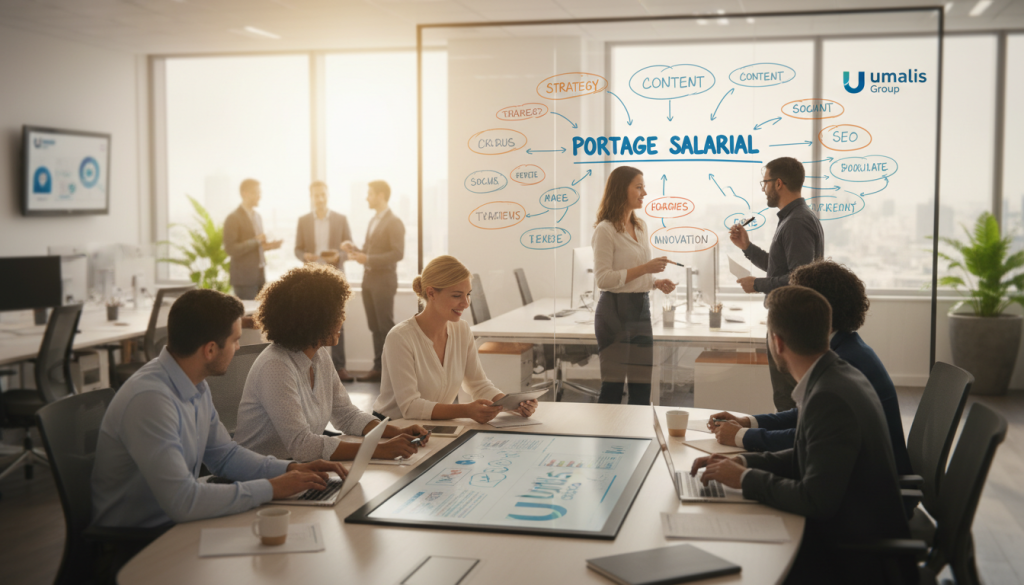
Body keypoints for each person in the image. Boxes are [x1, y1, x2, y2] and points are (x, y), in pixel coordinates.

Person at [691, 286, 915, 584]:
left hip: (851, 561)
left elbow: (815, 500)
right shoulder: (837, 374)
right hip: (848, 533)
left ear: (777, 342)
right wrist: (743, 464)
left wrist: (744, 480)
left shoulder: (828, 397)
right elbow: (808, 453)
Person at [91, 289, 345, 530]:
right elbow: (183, 501)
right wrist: (271, 488)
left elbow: (224, 456)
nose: (238, 349)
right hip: (140, 541)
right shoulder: (150, 401)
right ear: (210, 349)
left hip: (178, 524)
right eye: (235, 341)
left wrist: (290, 470)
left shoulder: (195, 384)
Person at [707, 259, 913, 477]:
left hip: (868, 482)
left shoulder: (846, 362)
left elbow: (806, 437)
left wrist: (743, 436)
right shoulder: (845, 347)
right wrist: (748, 422)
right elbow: (807, 417)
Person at [234, 263, 428, 462]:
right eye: (337, 313)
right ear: (312, 318)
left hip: (296, 470)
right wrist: (377, 450)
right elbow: (302, 445)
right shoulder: (275, 366)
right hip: (257, 478)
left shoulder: (319, 357)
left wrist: (395, 431)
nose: (342, 319)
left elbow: (346, 414)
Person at [371, 255, 538, 423]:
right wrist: (466, 410)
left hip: (432, 426)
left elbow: (478, 384)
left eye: (468, 294)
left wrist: (513, 405)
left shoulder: (462, 330)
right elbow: (410, 406)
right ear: (431, 293)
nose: (466, 303)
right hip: (393, 429)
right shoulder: (400, 338)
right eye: (457, 295)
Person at [729, 157, 824, 411]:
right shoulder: (794, 218)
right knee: (786, 396)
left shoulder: (796, 222)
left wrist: (757, 284)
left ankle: (792, 450)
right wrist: (747, 248)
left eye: (766, 182)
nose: (764, 188)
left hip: (792, 323)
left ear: (779, 183)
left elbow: (798, 277)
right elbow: (780, 267)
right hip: (790, 321)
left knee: (787, 398)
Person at [591, 166, 675, 405]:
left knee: (641, 387)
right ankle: (606, 440)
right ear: (621, 190)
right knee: (613, 388)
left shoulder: (640, 226)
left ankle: (638, 439)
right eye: (638, 187)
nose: (644, 192)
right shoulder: (605, 230)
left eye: (643, 186)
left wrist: (655, 282)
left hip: (640, 308)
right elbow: (603, 279)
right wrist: (646, 269)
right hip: (614, 311)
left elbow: (634, 272)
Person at [341, 180, 404, 382]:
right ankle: (379, 368)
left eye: (369, 193)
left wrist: (368, 259)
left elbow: (397, 253)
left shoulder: (394, 222)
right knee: (375, 327)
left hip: (384, 280)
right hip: (369, 280)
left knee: (385, 326)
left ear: (380, 195)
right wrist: (354, 249)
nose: (366, 197)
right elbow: (368, 251)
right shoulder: (373, 220)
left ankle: (392, 371)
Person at [294, 180, 355, 382]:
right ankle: (310, 366)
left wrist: (338, 256)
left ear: (327, 195)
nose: (320, 199)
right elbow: (298, 249)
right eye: (316, 195)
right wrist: (306, 256)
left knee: (338, 321)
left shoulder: (340, 219)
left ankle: (340, 367)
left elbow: (349, 250)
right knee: (311, 321)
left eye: (323, 195)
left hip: (334, 277)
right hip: (311, 278)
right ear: (311, 197)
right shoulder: (303, 220)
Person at [224, 178, 283, 300]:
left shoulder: (257, 217)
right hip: (244, 280)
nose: (259, 196)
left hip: (260, 277)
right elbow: (230, 249)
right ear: (245, 193)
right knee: (249, 316)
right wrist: (256, 241)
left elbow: (258, 246)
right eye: (257, 193)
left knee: (259, 314)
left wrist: (271, 246)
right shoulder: (233, 218)